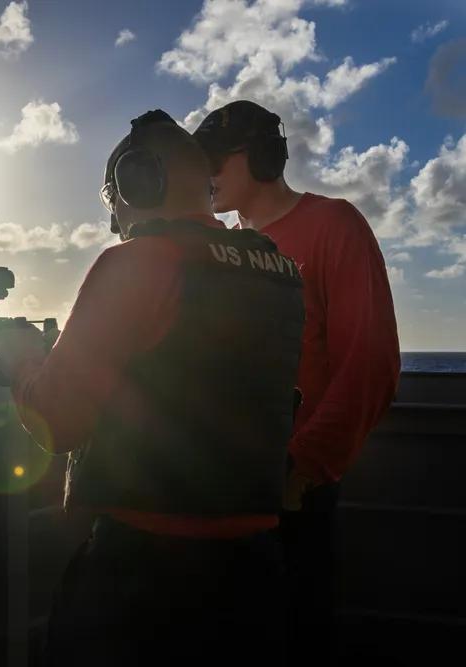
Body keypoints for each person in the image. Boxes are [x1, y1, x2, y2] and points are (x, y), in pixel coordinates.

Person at [0, 109, 305, 665]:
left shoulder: (138, 263)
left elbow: (58, 422)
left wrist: (20, 361)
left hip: (147, 579)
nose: (115, 217)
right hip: (255, 573)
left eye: (113, 198)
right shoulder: (278, 272)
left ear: (140, 182)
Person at [192, 99, 401, 664]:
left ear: (261, 156)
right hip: (216, 493)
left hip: (292, 495)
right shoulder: (214, 248)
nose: (203, 173)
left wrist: (302, 466)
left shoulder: (335, 225)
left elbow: (371, 361)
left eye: (214, 158)